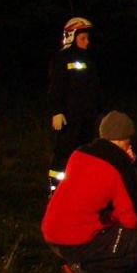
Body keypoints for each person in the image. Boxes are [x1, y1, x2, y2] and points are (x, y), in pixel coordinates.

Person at [41, 111, 137, 273]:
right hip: (75, 240)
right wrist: (127, 166)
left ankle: (79, 262)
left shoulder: (79, 152)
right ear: (123, 140)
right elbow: (130, 220)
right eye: (129, 140)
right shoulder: (119, 167)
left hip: (51, 234)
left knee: (108, 229)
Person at [47, 17, 100, 196]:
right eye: (83, 38)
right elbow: (56, 87)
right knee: (63, 154)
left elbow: (94, 88)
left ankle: (79, 190)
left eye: (88, 38)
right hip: (68, 118)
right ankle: (56, 190)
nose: (87, 42)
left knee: (84, 154)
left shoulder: (89, 59)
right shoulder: (61, 59)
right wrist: (57, 111)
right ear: (71, 36)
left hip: (87, 117)